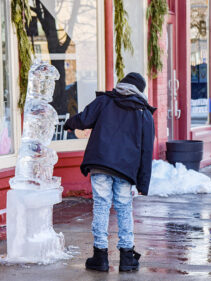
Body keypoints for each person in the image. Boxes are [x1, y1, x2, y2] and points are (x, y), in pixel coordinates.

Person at [63, 72, 156, 272]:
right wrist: (143, 183)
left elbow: (83, 119)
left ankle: (100, 256)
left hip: (100, 163)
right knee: (123, 209)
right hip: (126, 168)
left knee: (101, 206)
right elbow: (147, 150)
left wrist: (69, 124)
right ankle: (127, 257)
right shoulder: (143, 113)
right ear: (140, 91)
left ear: (121, 84)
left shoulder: (105, 101)